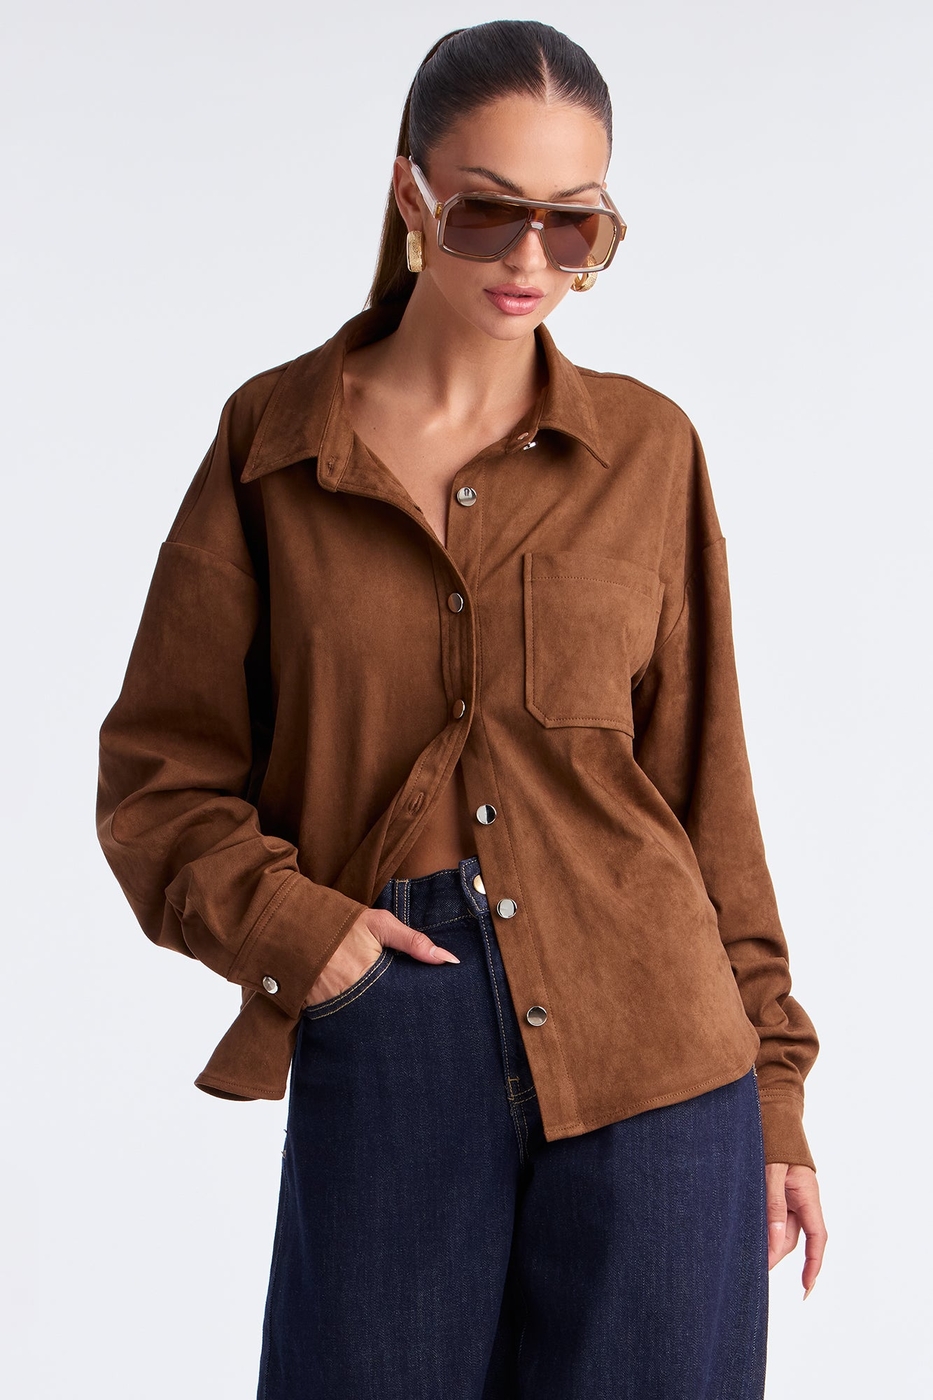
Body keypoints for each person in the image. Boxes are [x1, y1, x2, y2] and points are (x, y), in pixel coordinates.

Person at [96, 19, 827, 1400]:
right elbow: (158, 778)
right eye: (490, 214)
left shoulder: (648, 450)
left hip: (659, 1043)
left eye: (576, 225)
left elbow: (705, 792)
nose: (531, 261)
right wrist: (304, 939)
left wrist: (776, 1095)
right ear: (411, 195)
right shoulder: (274, 446)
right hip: (394, 1018)